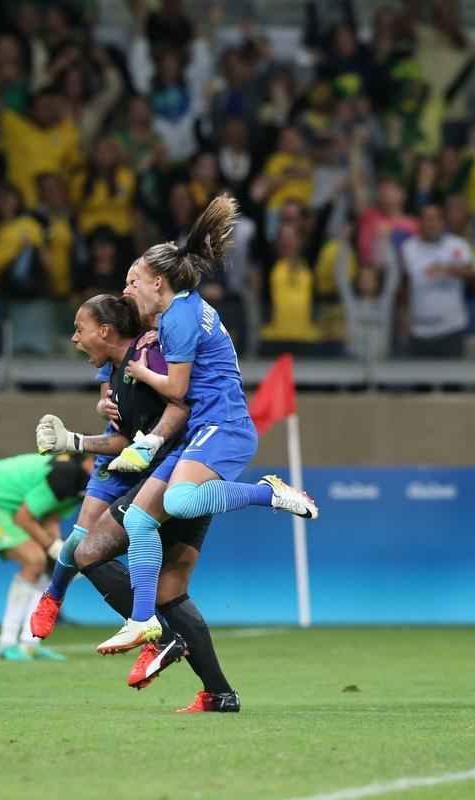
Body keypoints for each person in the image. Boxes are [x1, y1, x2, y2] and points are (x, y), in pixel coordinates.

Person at [94, 194, 319, 656]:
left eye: (133, 281)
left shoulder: (178, 319)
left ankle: (268, 493)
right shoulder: (181, 310)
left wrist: (139, 373)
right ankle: (142, 621)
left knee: (179, 500)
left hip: (224, 424)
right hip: (203, 427)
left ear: (157, 282)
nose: (127, 289)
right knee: (139, 519)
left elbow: (177, 390)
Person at [33, 292, 240, 708]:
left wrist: (151, 441)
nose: (74, 338)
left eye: (79, 329)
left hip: (173, 472)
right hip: (180, 472)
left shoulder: (150, 353)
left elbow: (180, 405)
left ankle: (158, 635)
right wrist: (75, 439)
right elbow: (122, 437)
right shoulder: (117, 371)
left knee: (89, 551)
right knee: (170, 591)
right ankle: (219, 694)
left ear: (105, 330)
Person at [0, 451, 92, 661]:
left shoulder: (85, 484)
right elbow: (24, 518)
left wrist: (60, 554)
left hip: (4, 508)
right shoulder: (66, 474)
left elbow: (50, 518)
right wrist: (52, 547)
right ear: (88, 460)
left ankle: (30, 644)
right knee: (34, 560)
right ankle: (6, 643)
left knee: (45, 565)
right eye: (102, 462)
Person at [400, 202, 475, 358]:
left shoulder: (458, 244)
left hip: (451, 328)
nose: (430, 224)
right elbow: (404, 286)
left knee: (452, 374)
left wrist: (447, 269)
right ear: (420, 222)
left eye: (434, 219)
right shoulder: (408, 248)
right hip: (419, 330)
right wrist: (403, 318)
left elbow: (472, 273)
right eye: (426, 219)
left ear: (443, 222)